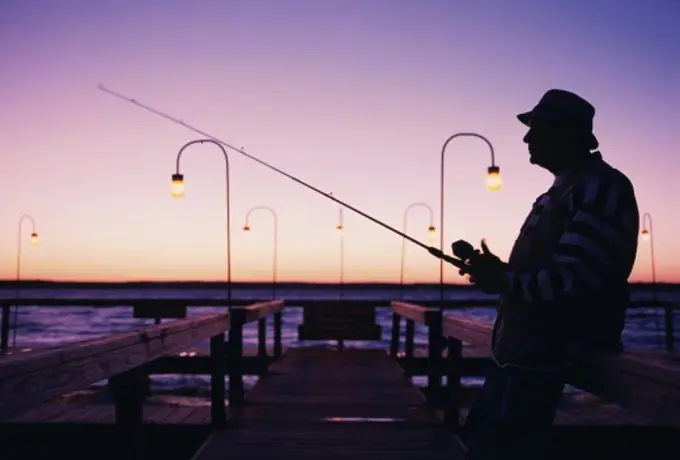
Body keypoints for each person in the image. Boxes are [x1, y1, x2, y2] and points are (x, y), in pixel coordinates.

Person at [450, 89, 640, 459]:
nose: (527, 138)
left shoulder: (600, 187)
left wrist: (502, 279)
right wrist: (498, 272)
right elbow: (551, 272)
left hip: (546, 356)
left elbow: (572, 281)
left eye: (536, 128)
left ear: (566, 133)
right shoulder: (558, 192)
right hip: (518, 353)